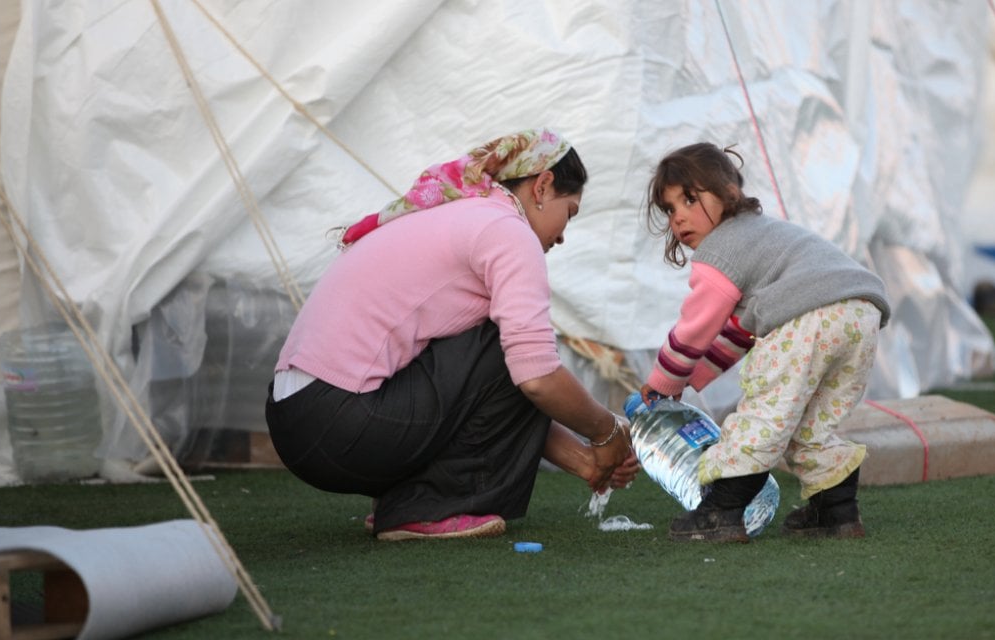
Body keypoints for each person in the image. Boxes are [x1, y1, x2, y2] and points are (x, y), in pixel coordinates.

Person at [265, 128, 639, 541]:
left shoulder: (458, 215)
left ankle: (410, 500)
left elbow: (486, 390)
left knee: (508, 344)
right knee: (517, 349)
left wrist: (588, 462)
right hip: (339, 424)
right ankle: (431, 505)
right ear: (542, 186)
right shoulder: (506, 230)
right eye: (569, 212)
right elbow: (534, 377)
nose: (563, 235)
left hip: (295, 421)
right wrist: (608, 430)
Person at [638, 142, 891, 543]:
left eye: (689, 199)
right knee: (815, 421)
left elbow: (695, 327)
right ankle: (837, 512)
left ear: (729, 193)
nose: (679, 217)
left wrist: (665, 381)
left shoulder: (721, 248)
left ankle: (722, 513)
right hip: (861, 312)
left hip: (808, 318)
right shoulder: (764, 233)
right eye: (670, 209)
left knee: (764, 415)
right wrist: (699, 374)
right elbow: (741, 328)